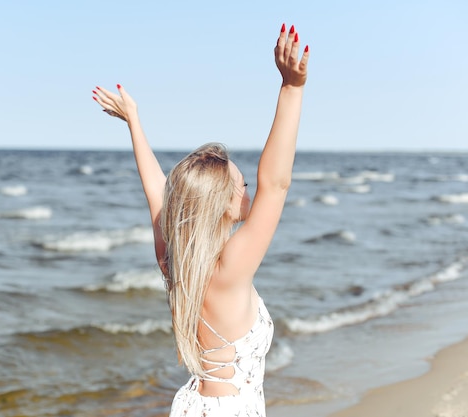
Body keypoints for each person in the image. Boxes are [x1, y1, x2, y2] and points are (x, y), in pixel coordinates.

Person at [92, 23, 308, 417]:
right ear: (222, 204)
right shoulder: (229, 268)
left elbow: (158, 194)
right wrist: (291, 89)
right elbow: (275, 184)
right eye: (242, 185)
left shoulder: (177, 261)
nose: (249, 192)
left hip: (194, 405)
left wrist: (134, 122)